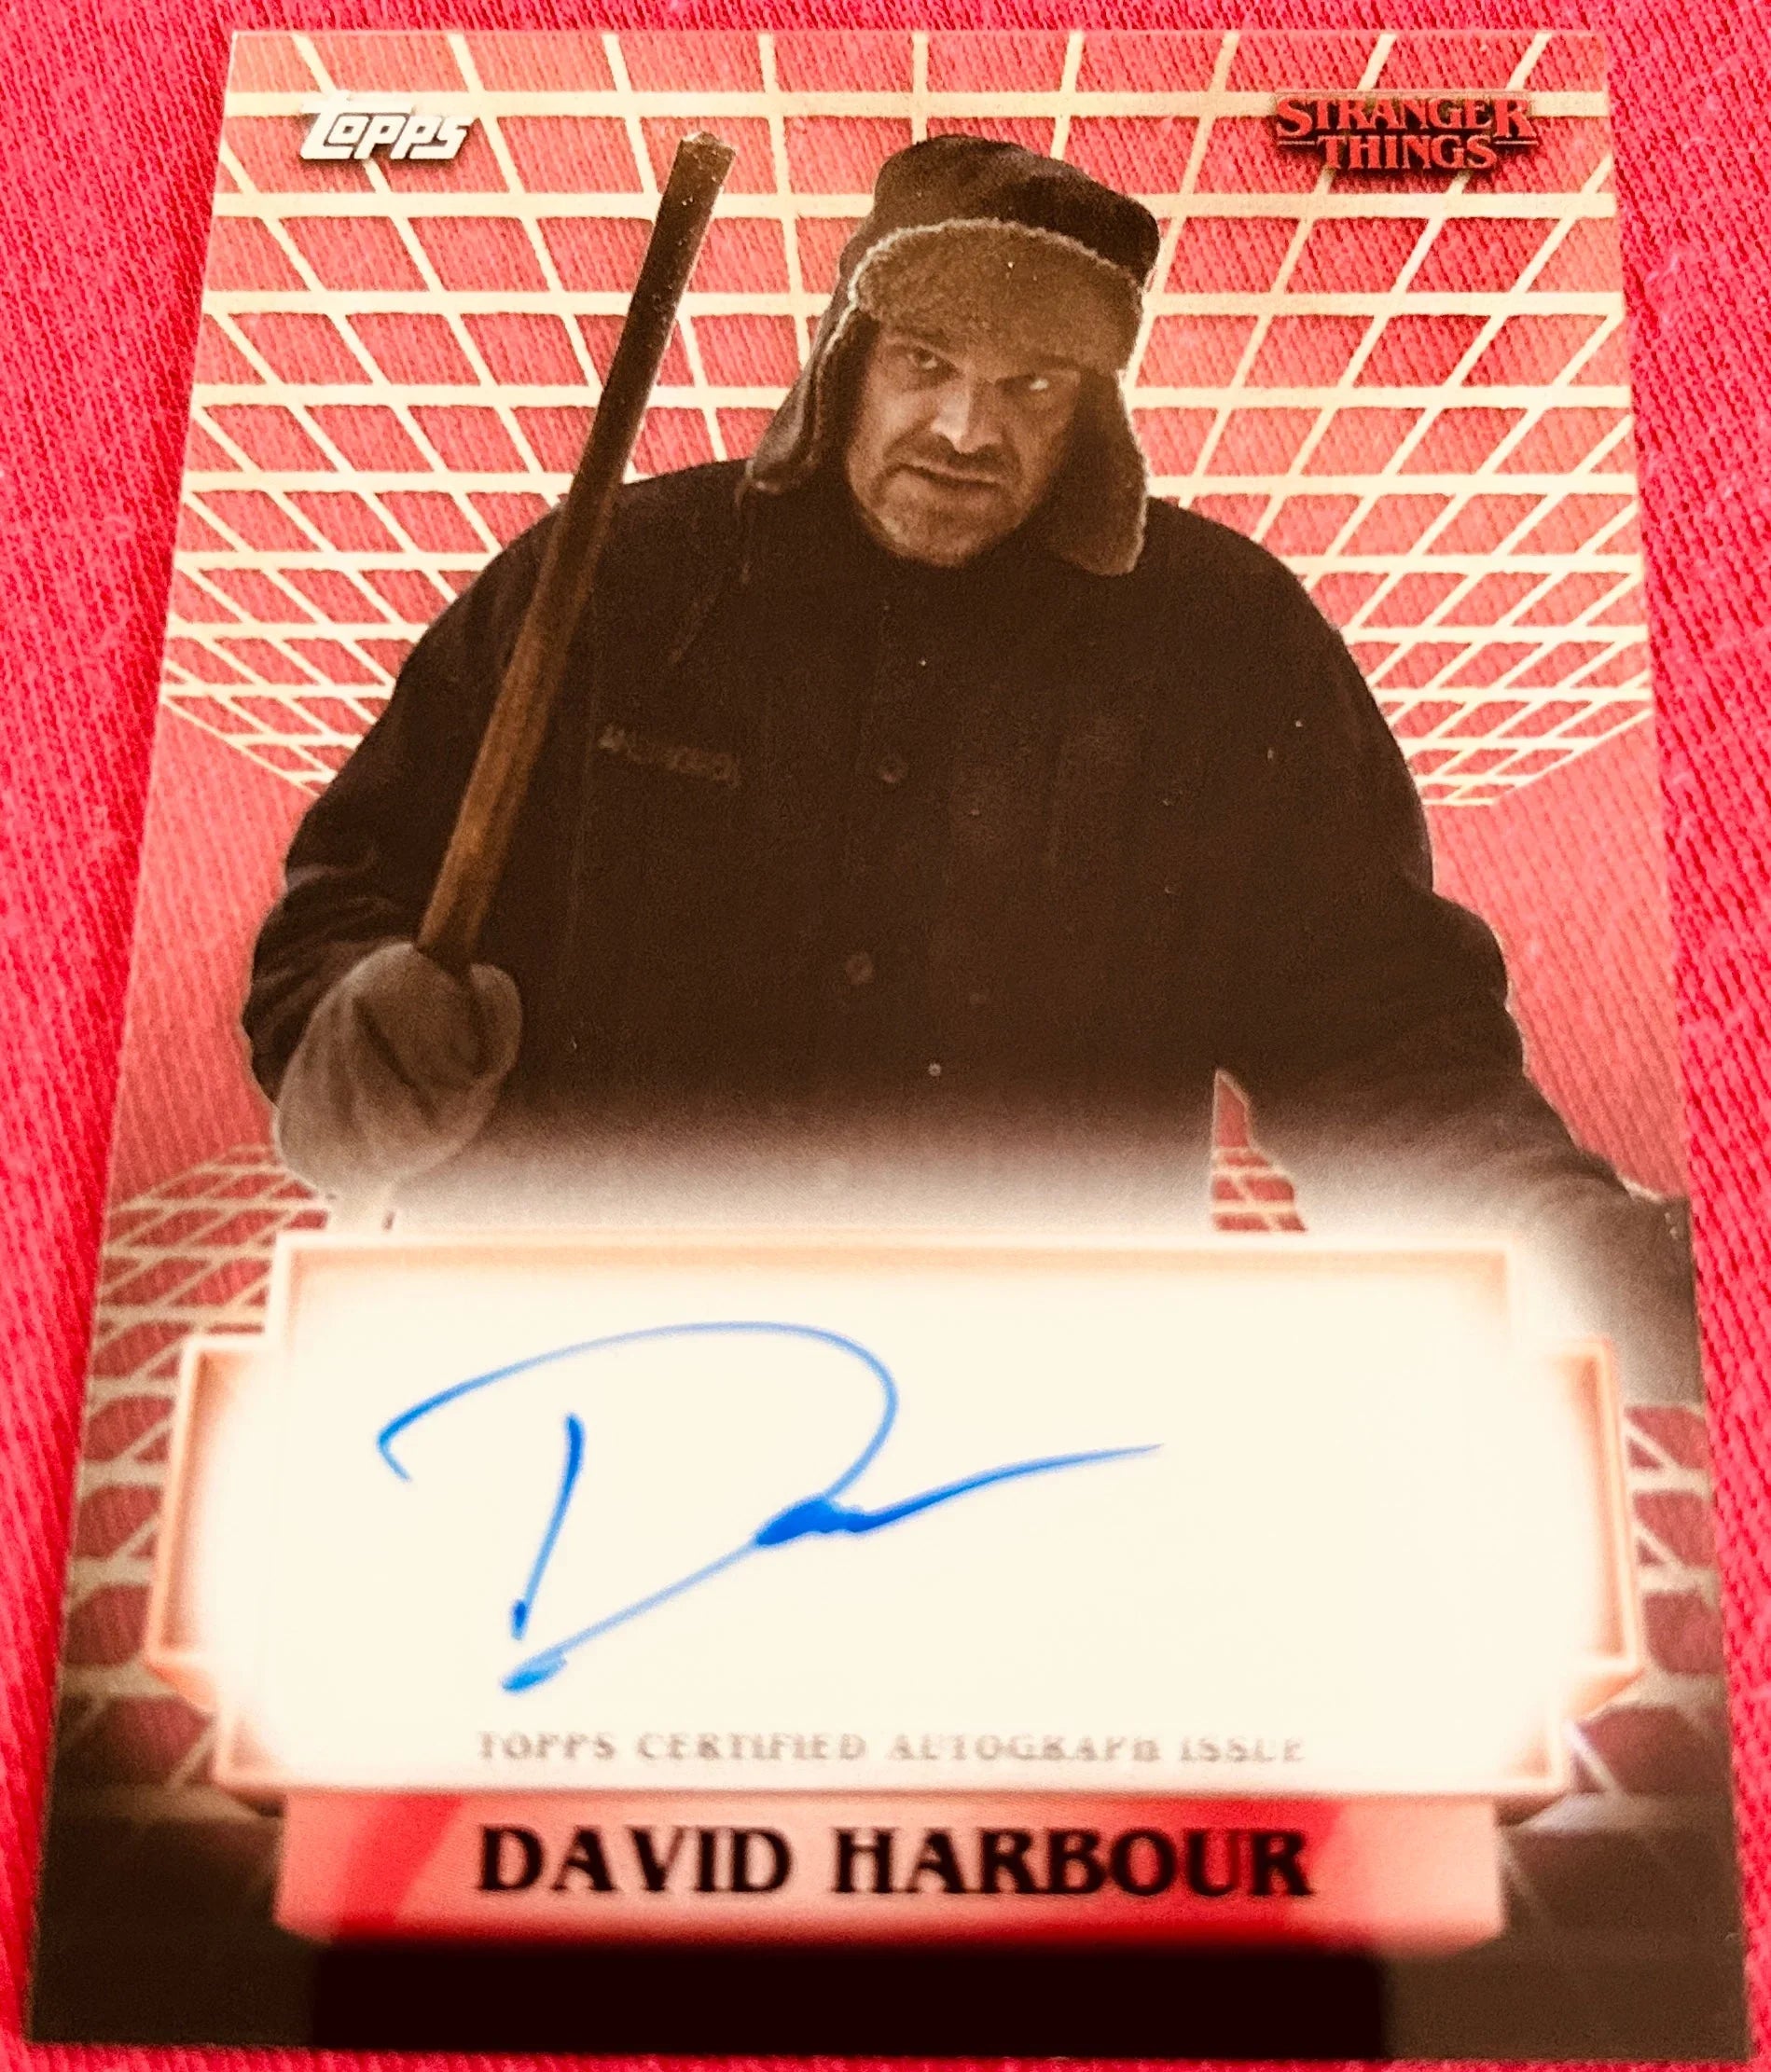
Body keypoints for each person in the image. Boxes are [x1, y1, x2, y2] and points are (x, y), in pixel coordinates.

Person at [243, 135, 1695, 1396]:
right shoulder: (614, 584)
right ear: (843, 359)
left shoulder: (1225, 649)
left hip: (1022, 1424)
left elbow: (1379, 1042)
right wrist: (346, 1033)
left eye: (1032, 384)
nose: (964, 429)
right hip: (566, 1383)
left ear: (1095, 407)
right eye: (926, 364)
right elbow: (351, 895)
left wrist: (1566, 1249)